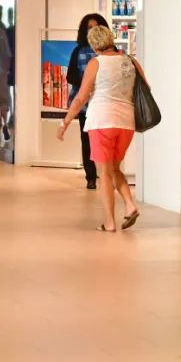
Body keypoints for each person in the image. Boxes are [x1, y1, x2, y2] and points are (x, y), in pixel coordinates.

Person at [58, 25, 147, 233]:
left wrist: (65, 122)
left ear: (93, 44)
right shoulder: (131, 61)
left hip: (102, 122)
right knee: (115, 168)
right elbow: (145, 89)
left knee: (104, 173)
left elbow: (81, 97)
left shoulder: (96, 63)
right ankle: (130, 205)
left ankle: (109, 222)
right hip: (126, 123)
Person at [66, 13, 110, 190]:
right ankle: (90, 176)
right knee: (86, 140)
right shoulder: (78, 51)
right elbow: (70, 75)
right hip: (85, 106)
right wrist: (86, 84)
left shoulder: (110, 52)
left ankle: (107, 173)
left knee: (105, 141)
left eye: (96, 27)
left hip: (105, 104)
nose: (92, 31)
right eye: (89, 28)